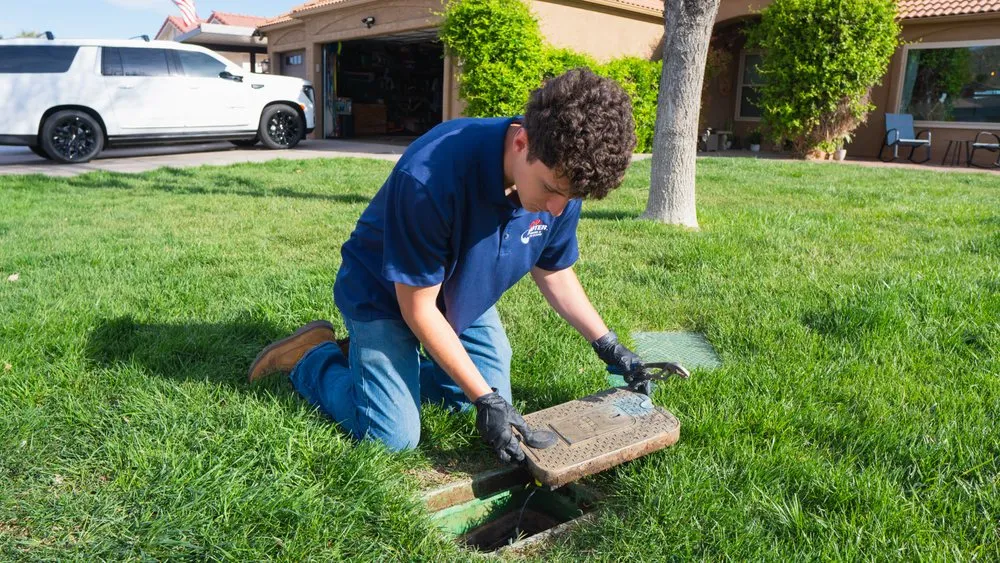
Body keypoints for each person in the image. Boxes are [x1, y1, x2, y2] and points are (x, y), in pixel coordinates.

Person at [248, 69, 653, 463]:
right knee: (394, 439)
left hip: (460, 291)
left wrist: (610, 346)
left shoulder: (563, 174)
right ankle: (313, 358)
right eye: (550, 190)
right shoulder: (431, 176)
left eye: (569, 197)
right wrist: (485, 397)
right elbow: (418, 309)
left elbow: (554, 270)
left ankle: (382, 370)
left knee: (479, 405)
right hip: (385, 295)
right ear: (522, 141)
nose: (556, 209)